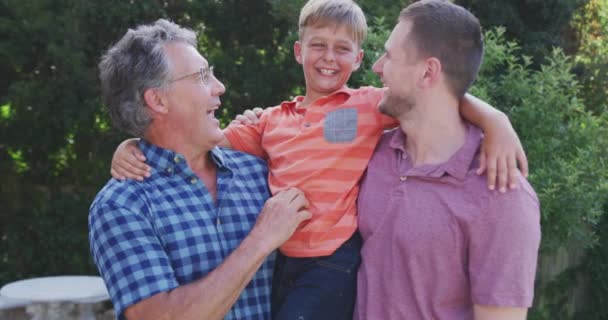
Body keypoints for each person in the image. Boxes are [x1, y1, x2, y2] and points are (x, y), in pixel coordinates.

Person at [110, 1, 528, 319]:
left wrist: (496, 119)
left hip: (333, 261)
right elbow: (199, 144)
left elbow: (432, 96)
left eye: (343, 49)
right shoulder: (271, 121)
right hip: (283, 261)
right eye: (319, 46)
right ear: (298, 50)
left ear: (358, 59)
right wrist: (135, 142)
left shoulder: (367, 106)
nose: (330, 57)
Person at [89, 19, 312, 320]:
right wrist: (261, 239)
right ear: (157, 100)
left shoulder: (260, 170)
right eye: (202, 76)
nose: (220, 87)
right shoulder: (121, 205)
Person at [355, 1, 541, 319]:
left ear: (428, 72)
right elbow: (303, 126)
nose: (377, 66)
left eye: (389, 55)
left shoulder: (502, 195)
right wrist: (494, 117)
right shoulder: (374, 147)